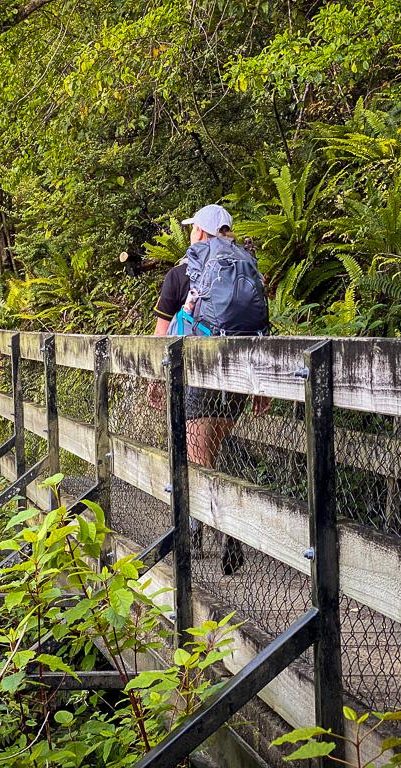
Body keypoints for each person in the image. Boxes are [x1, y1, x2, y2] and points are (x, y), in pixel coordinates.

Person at [148, 203, 270, 576]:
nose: (190, 234)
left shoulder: (180, 274)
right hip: (234, 380)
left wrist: (154, 379)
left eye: (192, 229)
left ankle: (220, 527)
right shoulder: (247, 270)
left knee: (198, 461)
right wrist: (259, 385)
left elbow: (161, 336)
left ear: (200, 233)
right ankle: (202, 527)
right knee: (208, 455)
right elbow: (260, 329)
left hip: (195, 379)